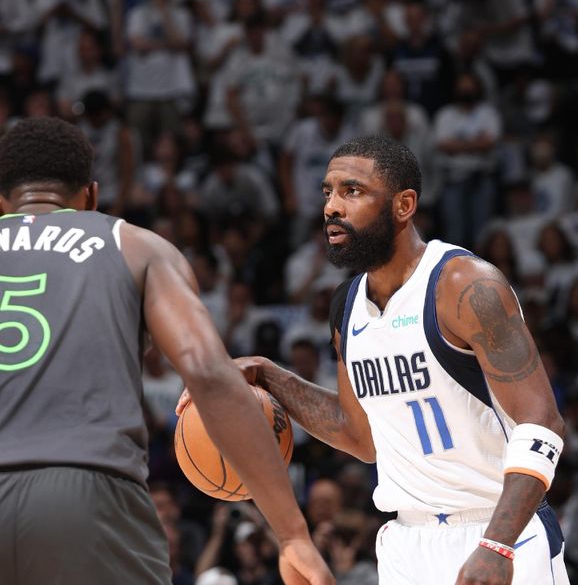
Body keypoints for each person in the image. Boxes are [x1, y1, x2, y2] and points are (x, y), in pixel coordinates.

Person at [182, 135, 569, 584]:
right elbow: (358, 435)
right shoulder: (347, 306)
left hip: (498, 531)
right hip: (407, 542)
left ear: (404, 205)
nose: (331, 207)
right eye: (327, 192)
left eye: (352, 191)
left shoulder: (463, 285)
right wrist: (270, 376)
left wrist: (498, 543)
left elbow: (542, 421)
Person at [0, 117, 332, 585]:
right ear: (92, 197)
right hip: (88, 494)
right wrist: (292, 533)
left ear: (2, 203)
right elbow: (208, 373)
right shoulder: (136, 246)